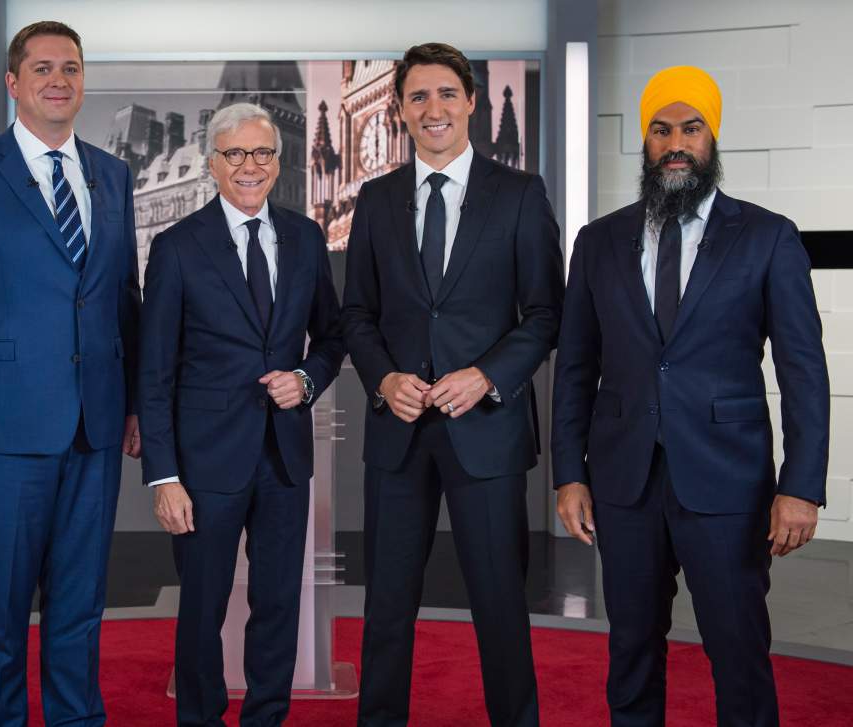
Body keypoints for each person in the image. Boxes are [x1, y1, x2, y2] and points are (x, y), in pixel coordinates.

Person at [552, 65, 829, 727]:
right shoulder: (598, 243)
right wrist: (569, 474)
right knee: (631, 648)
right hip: (624, 483)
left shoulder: (767, 237)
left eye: (691, 128)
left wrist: (802, 485)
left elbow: (803, 370)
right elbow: (574, 368)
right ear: (645, 143)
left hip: (728, 484)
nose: (676, 142)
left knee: (737, 649)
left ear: (713, 138)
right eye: (660, 129)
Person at [0, 20, 140, 727]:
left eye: (71, 68)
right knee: (1, 610)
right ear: (12, 83)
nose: (58, 80)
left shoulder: (113, 174)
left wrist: (133, 403)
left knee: (80, 605)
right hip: (1, 430)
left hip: (96, 425)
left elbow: (122, 300)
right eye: (42, 68)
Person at [341, 42, 563, 727]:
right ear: (401, 110)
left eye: (445, 94)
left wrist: (487, 375)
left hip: (487, 432)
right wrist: (382, 379)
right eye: (417, 97)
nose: (432, 109)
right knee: (386, 610)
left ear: (469, 100)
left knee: (500, 606)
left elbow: (547, 312)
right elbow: (357, 313)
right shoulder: (374, 201)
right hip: (398, 434)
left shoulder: (520, 195)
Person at [139, 102, 344, 727]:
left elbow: (333, 338)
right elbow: (154, 372)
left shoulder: (307, 237)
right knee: (201, 605)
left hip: (284, 456)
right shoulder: (176, 247)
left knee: (279, 601)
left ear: (278, 163)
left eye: (261, 154)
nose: (249, 167)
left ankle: (266, 716)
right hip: (203, 462)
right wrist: (162, 475)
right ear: (212, 164)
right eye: (235, 154)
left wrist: (306, 379)